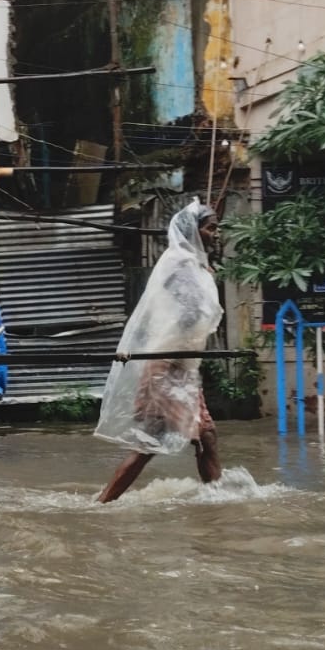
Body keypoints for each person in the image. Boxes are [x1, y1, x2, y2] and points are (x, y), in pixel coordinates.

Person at [94, 199, 225, 503]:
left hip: (183, 368)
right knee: (148, 444)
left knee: (206, 436)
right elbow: (187, 314)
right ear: (194, 231)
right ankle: (102, 504)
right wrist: (203, 281)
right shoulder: (180, 266)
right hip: (166, 366)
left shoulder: (193, 266)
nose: (216, 235)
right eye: (211, 228)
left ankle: (218, 502)